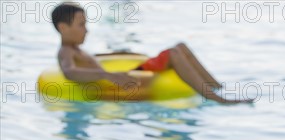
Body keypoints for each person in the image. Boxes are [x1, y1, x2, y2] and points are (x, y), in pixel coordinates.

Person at [51, 2, 253, 104]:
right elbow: (69, 72)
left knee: (180, 46)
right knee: (174, 53)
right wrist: (107, 74)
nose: (86, 29)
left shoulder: (76, 49)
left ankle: (216, 86)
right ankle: (216, 99)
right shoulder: (65, 52)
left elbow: (92, 62)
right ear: (63, 27)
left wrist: (118, 54)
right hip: (127, 83)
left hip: (130, 73)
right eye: (81, 25)